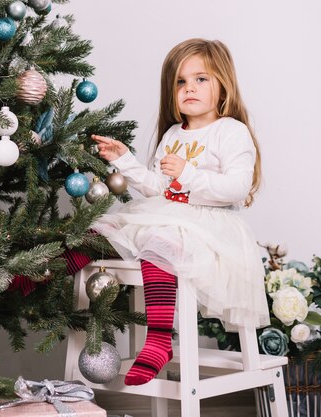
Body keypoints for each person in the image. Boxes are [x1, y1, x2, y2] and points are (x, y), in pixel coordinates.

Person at [91, 38, 270, 386]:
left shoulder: (231, 132)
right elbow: (158, 188)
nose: (190, 88)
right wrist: (124, 160)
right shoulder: (174, 133)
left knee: (159, 241)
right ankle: (32, 277)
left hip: (209, 227)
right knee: (104, 229)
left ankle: (159, 339)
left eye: (201, 79)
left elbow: (236, 187)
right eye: (181, 82)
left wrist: (187, 173)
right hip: (169, 214)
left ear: (223, 86)